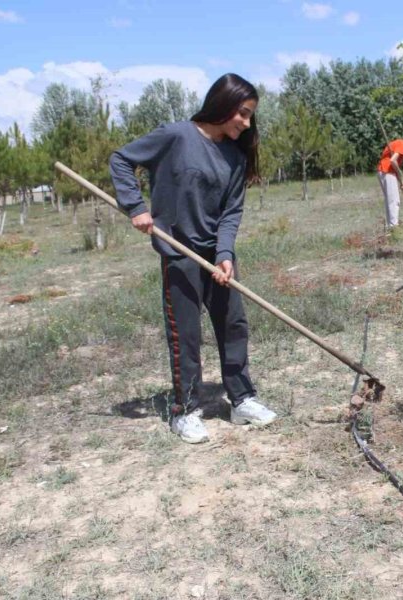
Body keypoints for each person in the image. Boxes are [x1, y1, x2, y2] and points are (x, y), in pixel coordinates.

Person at [109, 73, 277, 444]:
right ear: (224, 104)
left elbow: (231, 213)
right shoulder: (176, 136)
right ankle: (186, 410)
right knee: (185, 336)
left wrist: (225, 254)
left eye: (250, 117)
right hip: (178, 252)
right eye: (244, 114)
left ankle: (242, 399)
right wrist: (136, 206)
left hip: (216, 257)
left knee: (234, 326)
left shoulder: (235, 157)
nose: (247, 123)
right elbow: (121, 160)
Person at [376, 135, 403, 229]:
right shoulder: (402, 144)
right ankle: (393, 226)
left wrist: (401, 182)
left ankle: (390, 226)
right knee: (394, 200)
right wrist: (399, 171)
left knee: (390, 200)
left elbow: (394, 167)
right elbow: (393, 161)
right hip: (387, 171)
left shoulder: (399, 144)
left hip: (384, 171)